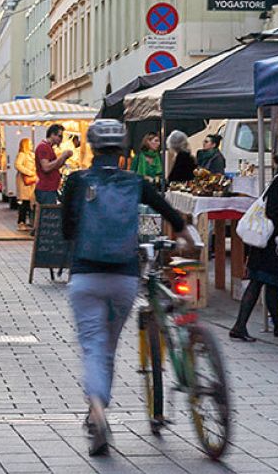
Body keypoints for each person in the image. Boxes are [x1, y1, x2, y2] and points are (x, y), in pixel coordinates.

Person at [60, 118, 197, 456]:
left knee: (93, 347)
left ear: (92, 148)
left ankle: (97, 411)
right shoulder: (135, 181)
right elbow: (170, 212)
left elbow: (66, 230)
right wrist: (185, 236)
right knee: (108, 347)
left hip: (85, 277)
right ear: (122, 150)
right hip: (123, 278)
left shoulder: (77, 181)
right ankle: (99, 411)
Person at [230, 141, 278, 341]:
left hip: (271, 243)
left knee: (270, 283)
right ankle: (239, 326)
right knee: (258, 282)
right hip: (273, 244)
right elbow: (275, 210)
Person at [34, 125, 68, 214]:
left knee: (51, 214)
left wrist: (63, 159)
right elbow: (46, 167)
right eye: (60, 136)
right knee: (49, 216)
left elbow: (54, 166)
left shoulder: (48, 147)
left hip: (50, 188)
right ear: (52, 135)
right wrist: (62, 157)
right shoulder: (43, 147)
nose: (61, 139)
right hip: (46, 189)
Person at [13, 138, 37, 228]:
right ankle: (21, 222)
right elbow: (17, 165)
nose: (32, 145)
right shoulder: (22, 155)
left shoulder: (31, 155)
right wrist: (29, 172)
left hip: (31, 181)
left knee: (30, 201)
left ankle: (28, 221)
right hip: (24, 181)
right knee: (25, 202)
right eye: (30, 143)